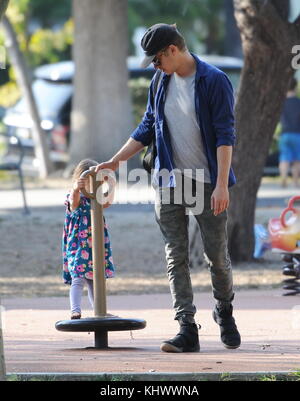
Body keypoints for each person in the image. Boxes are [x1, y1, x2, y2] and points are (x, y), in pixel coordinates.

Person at [95, 23, 241, 352]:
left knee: (216, 256)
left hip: (207, 181)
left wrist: (221, 185)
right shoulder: (161, 80)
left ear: (172, 50)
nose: (155, 67)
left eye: (157, 59)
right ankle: (187, 327)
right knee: (175, 255)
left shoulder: (214, 80)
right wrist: (114, 161)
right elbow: (147, 124)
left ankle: (224, 309)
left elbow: (225, 135)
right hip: (168, 179)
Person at [62, 159, 115, 319]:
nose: (91, 185)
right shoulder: (74, 196)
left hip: (96, 244)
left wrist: (112, 184)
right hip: (78, 244)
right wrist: (76, 189)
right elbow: (73, 202)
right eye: (88, 181)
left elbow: (108, 202)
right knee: (78, 278)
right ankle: (75, 310)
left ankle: (99, 310)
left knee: (96, 280)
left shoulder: (96, 199)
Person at [279, 77, 300, 188]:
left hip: (284, 134)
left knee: (284, 157)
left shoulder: (281, 103)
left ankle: (283, 178)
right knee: (297, 159)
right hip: (297, 133)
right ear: (295, 87)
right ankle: (295, 182)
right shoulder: (298, 102)